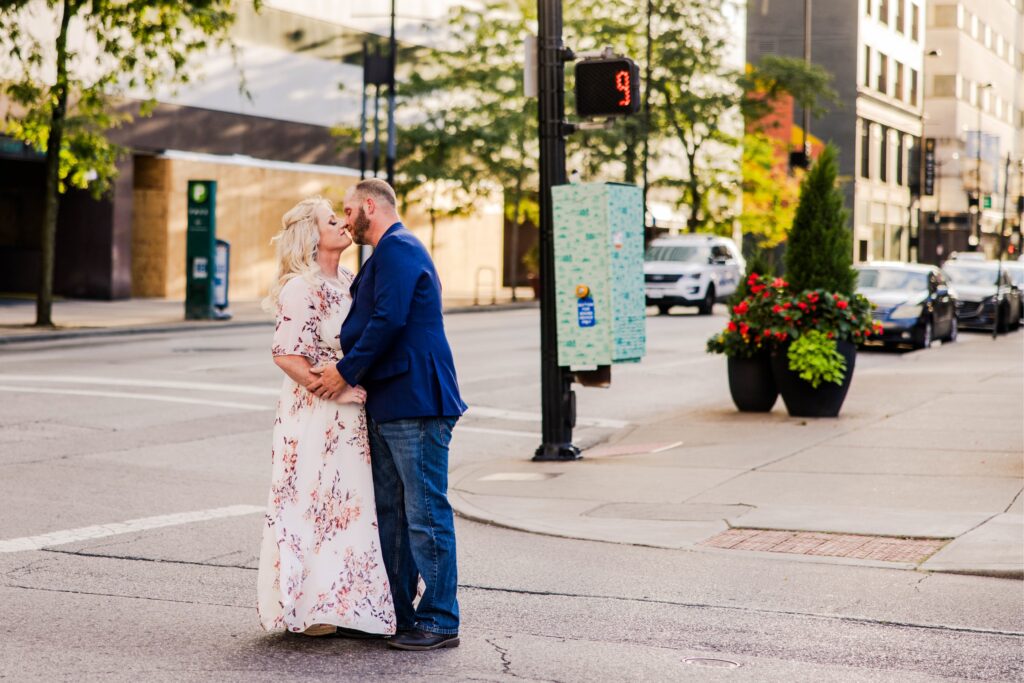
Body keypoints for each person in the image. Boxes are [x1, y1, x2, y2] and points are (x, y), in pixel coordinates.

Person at [308, 179, 467, 651]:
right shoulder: (389, 253)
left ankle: (439, 620)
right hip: (392, 400)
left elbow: (389, 320)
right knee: (393, 515)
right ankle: (395, 614)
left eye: (349, 210)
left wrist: (344, 372)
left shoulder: (399, 248)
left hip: (416, 402)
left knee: (425, 514)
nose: (345, 218)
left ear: (370, 207)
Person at [256, 196, 396, 638]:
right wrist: (333, 387)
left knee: (350, 507)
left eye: (341, 218)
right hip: (315, 415)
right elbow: (285, 355)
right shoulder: (302, 286)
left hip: (349, 416)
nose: (342, 225)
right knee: (312, 504)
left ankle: (346, 603)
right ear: (311, 235)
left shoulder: (351, 280)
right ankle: (309, 606)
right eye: (331, 220)